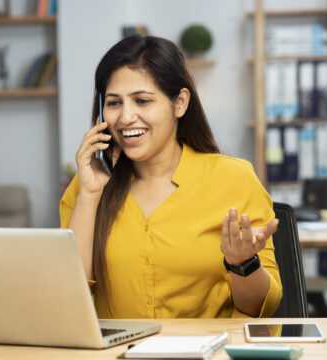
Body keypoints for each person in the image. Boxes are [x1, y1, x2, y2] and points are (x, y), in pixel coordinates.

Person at [60, 35, 282, 319]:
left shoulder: (232, 178)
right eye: (114, 103)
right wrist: (90, 196)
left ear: (179, 103)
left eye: (142, 100)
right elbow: (67, 296)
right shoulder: (88, 183)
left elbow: (261, 307)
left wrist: (243, 263)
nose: (126, 117)